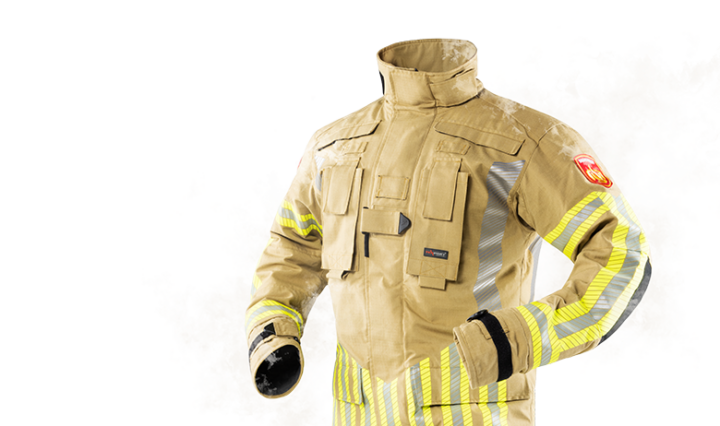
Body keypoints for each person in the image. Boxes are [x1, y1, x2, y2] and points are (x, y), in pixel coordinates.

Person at [245, 37, 652, 425]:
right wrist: (272, 335)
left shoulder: (524, 142)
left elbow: (621, 252)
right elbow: (291, 250)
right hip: (358, 412)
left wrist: (518, 338)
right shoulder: (332, 148)